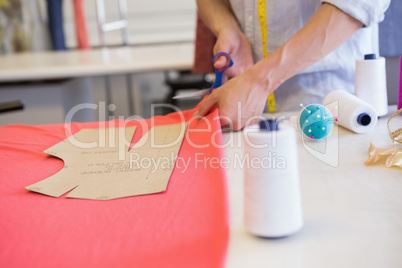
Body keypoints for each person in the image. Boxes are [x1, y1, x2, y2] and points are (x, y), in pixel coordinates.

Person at [193, 0, 390, 130]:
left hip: (335, 110)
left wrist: (261, 80)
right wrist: (227, 26)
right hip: (247, 108)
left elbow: (358, 3)